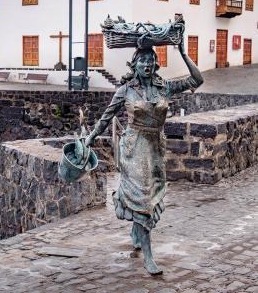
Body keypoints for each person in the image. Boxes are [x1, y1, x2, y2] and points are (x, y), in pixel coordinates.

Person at [84, 36, 203, 275]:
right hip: (133, 147)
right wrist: (90, 138)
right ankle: (148, 256)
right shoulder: (125, 90)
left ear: (156, 64)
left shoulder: (164, 87)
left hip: (155, 147)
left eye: (151, 60)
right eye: (142, 61)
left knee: (152, 193)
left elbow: (197, 80)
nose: (147, 64)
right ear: (134, 65)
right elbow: (106, 117)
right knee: (143, 198)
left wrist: (182, 51)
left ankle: (136, 230)